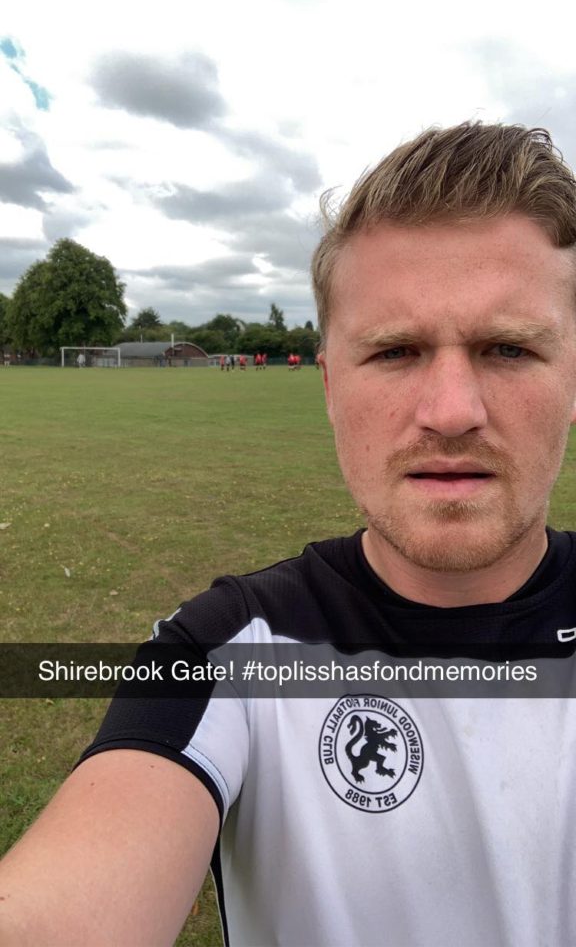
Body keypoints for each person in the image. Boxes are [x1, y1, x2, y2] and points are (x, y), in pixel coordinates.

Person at [2, 121, 576, 947]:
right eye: (396, 351)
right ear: (331, 382)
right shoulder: (228, 651)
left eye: (510, 348)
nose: (452, 411)